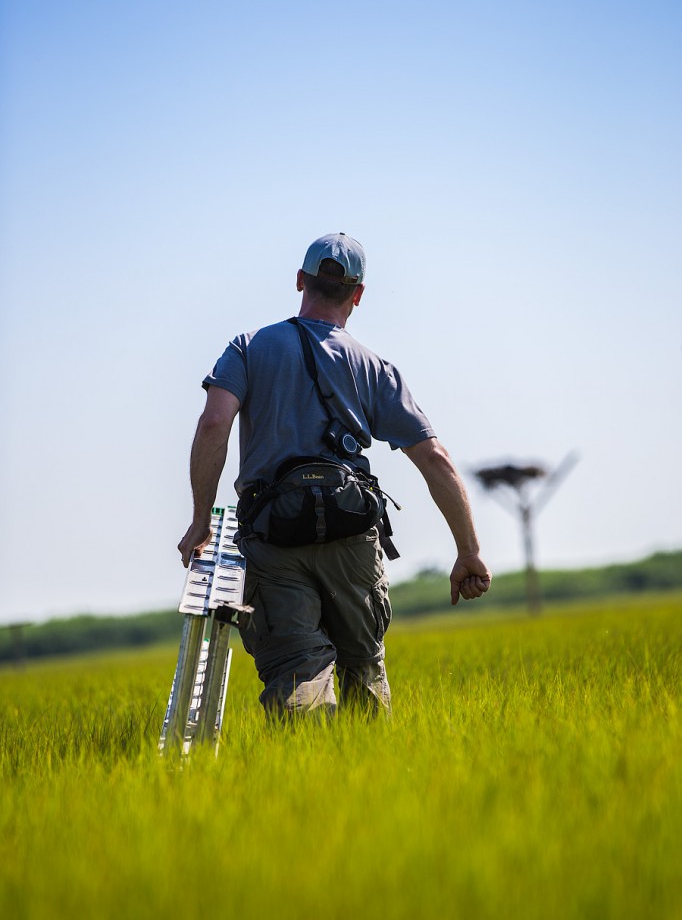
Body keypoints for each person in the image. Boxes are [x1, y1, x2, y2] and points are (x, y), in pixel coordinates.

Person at [178, 233, 491, 718]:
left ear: (300, 280)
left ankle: (308, 782)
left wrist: (201, 521)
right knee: (364, 671)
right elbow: (435, 459)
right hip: (352, 537)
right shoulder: (376, 368)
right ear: (358, 295)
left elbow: (214, 423)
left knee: (298, 673)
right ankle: (373, 784)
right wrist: (468, 551)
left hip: (273, 537)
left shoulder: (248, 347)